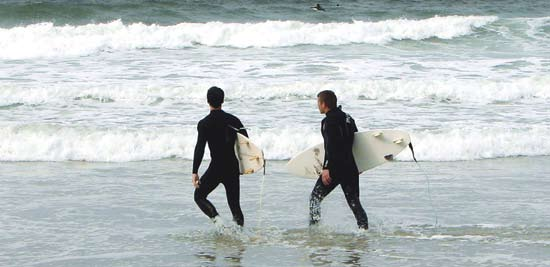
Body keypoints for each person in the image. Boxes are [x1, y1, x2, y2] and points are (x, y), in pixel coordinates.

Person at [309, 90, 369, 229]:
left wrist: (326, 168)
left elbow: (331, 146)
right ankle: (363, 230)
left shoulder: (328, 122)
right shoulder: (348, 118)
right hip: (350, 166)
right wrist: (359, 163)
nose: (318, 106)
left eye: (318, 103)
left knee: (315, 198)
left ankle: (315, 230)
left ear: (324, 104)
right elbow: (356, 141)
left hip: (336, 168)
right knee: (354, 202)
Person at [192, 86, 248, 227]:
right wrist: (246, 166)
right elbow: (246, 143)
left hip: (216, 168)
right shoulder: (234, 120)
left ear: (207, 101)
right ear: (222, 100)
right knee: (235, 206)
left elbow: (200, 147)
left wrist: (195, 171)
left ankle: (217, 220)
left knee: (199, 196)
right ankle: (240, 240)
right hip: (232, 167)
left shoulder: (204, 123)